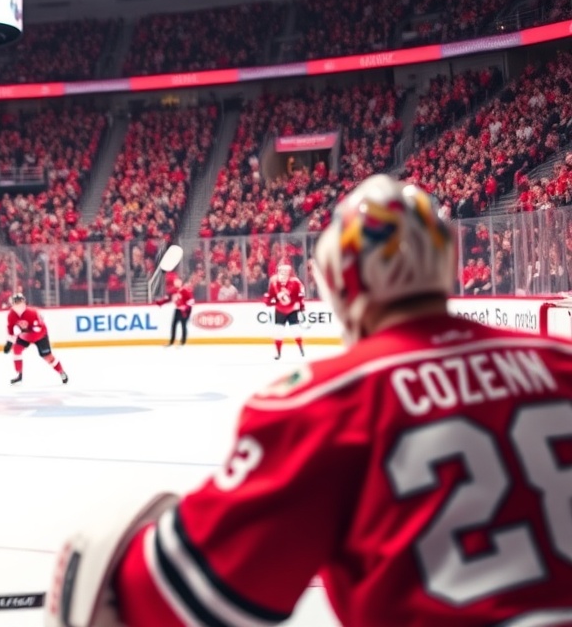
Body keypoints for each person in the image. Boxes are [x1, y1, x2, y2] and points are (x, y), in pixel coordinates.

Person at [45, 175, 572, 627]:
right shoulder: (561, 362)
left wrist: (101, 563)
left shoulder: (325, 403)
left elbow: (166, 601)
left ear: (340, 278)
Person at [5, 293, 68, 385]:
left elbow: (37, 329)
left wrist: (22, 331)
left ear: (24, 303)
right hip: (24, 336)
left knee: (48, 356)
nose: (18, 305)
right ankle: (19, 374)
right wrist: (9, 342)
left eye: (20, 302)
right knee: (16, 350)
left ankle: (61, 372)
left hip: (40, 335)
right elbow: (10, 329)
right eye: (16, 303)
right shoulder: (11, 315)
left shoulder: (32, 313)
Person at [264, 261, 305, 360]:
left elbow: (300, 296)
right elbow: (269, 298)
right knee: (278, 332)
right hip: (280, 310)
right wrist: (271, 301)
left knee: (295, 330)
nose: (283, 274)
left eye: (285, 272)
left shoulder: (295, 282)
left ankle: (301, 348)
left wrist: (300, 306)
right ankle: (278, 353)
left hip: (292, 309)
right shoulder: (274, 283)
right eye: (281, 271)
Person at [155, 274, 194, 347]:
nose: (176, 283)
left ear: (181, 282)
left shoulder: (185, 290)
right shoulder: (174, 291)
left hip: (185, 311)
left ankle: (182, 342)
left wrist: (185, 307)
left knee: (183, 325)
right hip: (178, 310)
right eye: (175, 281)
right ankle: (171, 341)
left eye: (177, 281)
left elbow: (191, 301)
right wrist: (160, 303)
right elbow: (168, 299)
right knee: (173, 325)